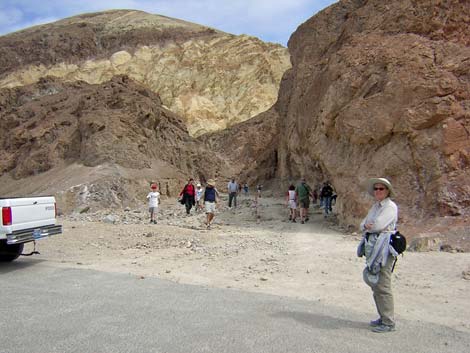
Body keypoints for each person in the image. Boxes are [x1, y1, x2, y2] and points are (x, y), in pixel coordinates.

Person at [357, 177, 399, 333]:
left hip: (384, 250)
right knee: (376, 284)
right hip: (373, 248)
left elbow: (378, 226)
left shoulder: (390, 207)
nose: (378, 191)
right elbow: (363, 224)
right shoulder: (376, 207)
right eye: (376, 189)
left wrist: (369, 226)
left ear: (387, 191)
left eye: (381, 189)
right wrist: (368, 226)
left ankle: (388, 322)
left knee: (383, 284)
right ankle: (383, 316)